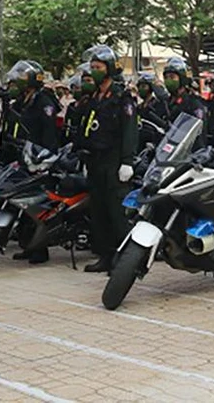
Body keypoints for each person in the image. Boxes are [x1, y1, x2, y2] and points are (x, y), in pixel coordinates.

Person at [79, 45, 138, 273]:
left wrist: (127, 161)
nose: (94, 71)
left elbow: (130, 130)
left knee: (117, 213)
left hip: (114, 160)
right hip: (95, 160)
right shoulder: (94, 96)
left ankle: (123, 261)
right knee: (99, 211)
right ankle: (105, 255)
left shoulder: (122, 97)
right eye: (92, 67)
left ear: (110, 69)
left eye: (98, 67)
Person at [3, 60, 62, 263]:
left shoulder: (44, 101)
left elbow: (49, 133)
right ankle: (27, 245)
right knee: (22, 203)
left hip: (39, 158)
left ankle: (40, 250)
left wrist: (44, 159)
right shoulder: (22, 101)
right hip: (23, 156)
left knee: (37, 205)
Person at [162, 57, 206, 132]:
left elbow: (198, 131)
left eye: (172, 77)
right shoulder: (167, 102)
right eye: (166, 77)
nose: (168, 80)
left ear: (182, 79)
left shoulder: (192, 103)